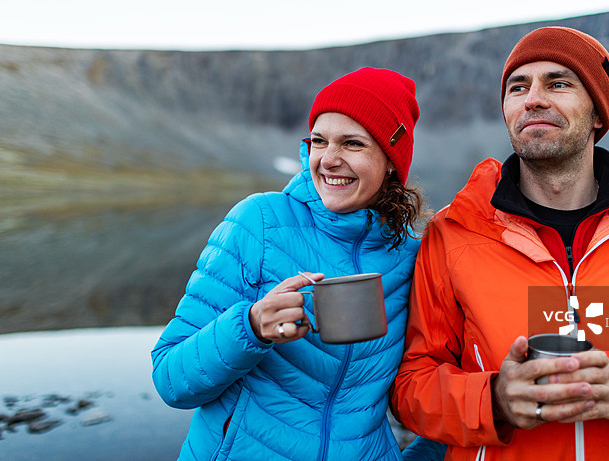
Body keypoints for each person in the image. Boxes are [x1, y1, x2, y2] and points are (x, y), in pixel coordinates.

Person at [390, 27, 609, 460]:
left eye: (558, 83)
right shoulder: (453, 234)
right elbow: (411, 385)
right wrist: (493, 400)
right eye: (517, 87)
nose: (532, 99)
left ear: (598, 112)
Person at [151, 67, 446, 460]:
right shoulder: (259, 223)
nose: (329, 159)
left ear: (391, 159)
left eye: (352, 143)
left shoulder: (411, 256)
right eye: (319, 141)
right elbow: (171, 380)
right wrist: (251, 326)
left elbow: (433, 387)